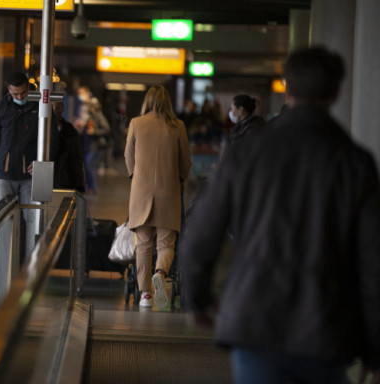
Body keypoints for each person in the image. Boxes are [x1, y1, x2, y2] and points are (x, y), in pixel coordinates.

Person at [180, 46, 380, 383]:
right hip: (325, 328)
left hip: (254, 323)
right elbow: (373, 262)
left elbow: (201, 230)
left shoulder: (248, 151)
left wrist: (197, 300)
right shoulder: (355, 163)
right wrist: (375, 349)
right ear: (335, 92)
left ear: (287, 87)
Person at [124, 85, 191, 309]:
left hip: (141, 193)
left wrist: (136, 176)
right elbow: (185, 162)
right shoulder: (177, 126)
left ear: (148, 101)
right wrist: (179, 179)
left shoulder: (136, 123)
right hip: (168, 191)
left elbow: (128, 156)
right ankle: (160, 274)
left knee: (143, 244)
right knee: (165, 244)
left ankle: (145, 295)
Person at [0, 72, 57, 259]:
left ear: (29, 88)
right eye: (15, 94)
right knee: (4, 219)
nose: (20, 97)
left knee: (32, 220)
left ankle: (30, 261)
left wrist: (42, 162)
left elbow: (52, 139)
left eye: (23, 93)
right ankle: (5, 259)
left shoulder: (41, 106)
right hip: (4, 172)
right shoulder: (1, 107)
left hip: (30, 175)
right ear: (8, 91)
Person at [74, 86, 110, 194]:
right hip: (89, 144)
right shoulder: (91, 117)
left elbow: (106, 129)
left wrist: (94, 132)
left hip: (95, 145)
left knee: (89, 165)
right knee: (87, 165)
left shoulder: (98, 116)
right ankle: (89, 186)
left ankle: (92, 187)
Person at [52, 100, 85, 193]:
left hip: (65, 181)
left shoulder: (69, 131)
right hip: (46, 181)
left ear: (62, 109)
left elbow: (76, 159)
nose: (55, 111)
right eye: (52, 108)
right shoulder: (41, 129)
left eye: (58, 107)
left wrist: (79, 185)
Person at [223, 94, 265, 158]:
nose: (230, 112)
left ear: (240, 110)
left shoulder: (251, 131)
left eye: (232, 109)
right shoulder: (242, 128)